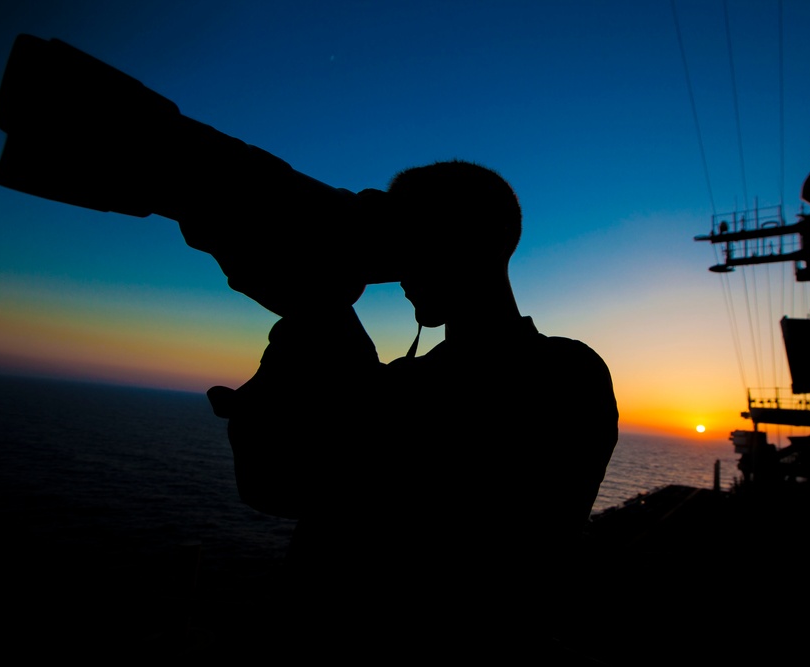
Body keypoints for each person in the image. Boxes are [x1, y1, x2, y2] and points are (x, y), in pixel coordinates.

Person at [207, 160, 618, 659]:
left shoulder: (555, 374)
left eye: (411, 243)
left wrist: (316, 308)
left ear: (464, 241)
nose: (399, 268)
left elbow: (279, 485)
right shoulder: (570, 371)